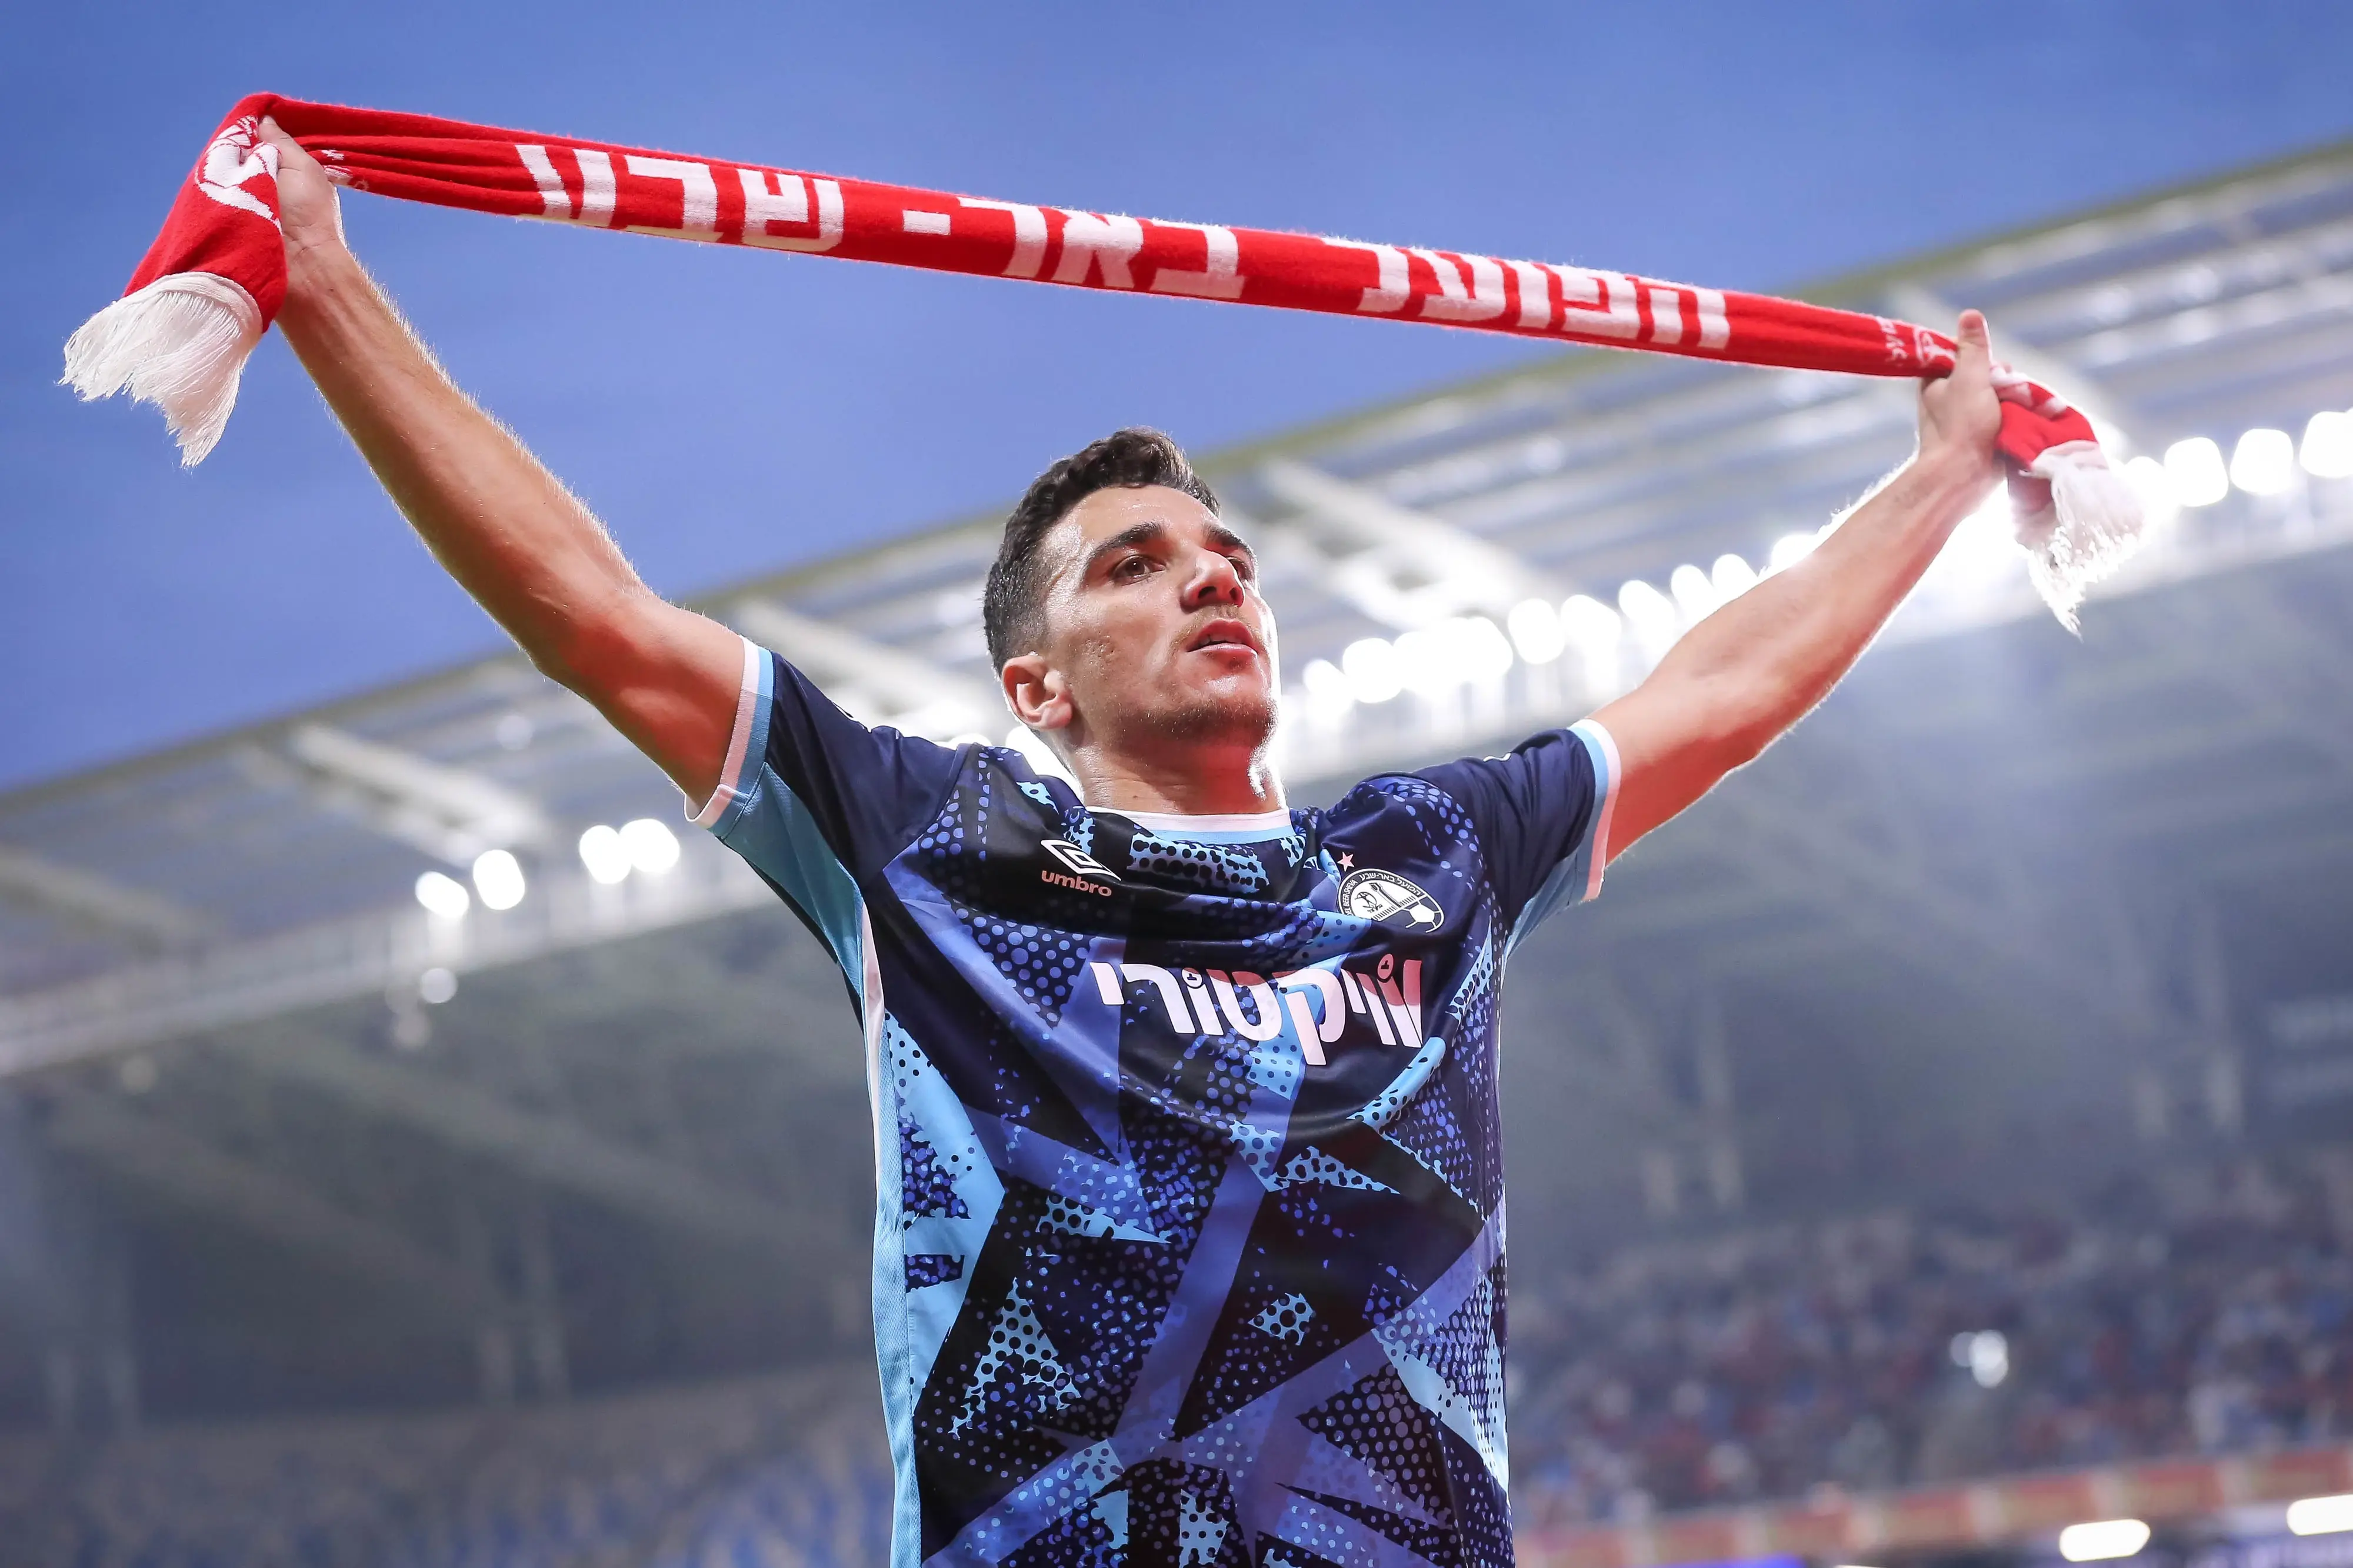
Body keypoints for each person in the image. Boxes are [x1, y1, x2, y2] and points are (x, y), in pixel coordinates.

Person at [257, 116, 2005, 1568]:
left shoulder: (1434, 855)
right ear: (1037, 684)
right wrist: (321, 284)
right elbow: (595, 617)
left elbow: (1728, 687)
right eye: (1137, 566)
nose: (1213, 579)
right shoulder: (931, 846)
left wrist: (1943, 475)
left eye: (1228, 557)